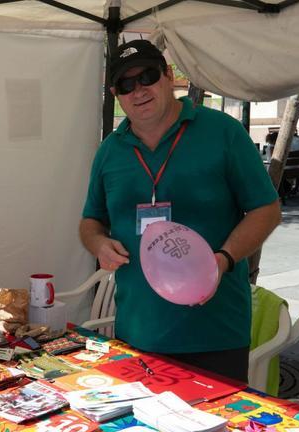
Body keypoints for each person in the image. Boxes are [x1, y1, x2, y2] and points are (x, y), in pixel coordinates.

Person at [79, 40, 281, 382]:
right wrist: (98, 244)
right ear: (116, 93)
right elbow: (90, 221)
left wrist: (223, 259)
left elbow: (267, 209)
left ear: (169, 76)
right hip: (138, 330)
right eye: (126, 84)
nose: (138, 90)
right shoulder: (110, 152)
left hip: (214, 331)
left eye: (148, 76)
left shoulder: (222, 132)